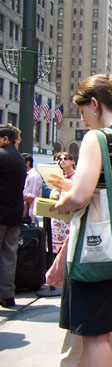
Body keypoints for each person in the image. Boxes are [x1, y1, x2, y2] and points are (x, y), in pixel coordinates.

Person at [52, 74, 112, 367]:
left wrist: (60, 204)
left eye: (83, 112)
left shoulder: (98, 137)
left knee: (96, 335)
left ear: (95, 104)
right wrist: (75, 188)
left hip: (95, 250)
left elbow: (81, 198)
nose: (83, 120)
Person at [0, 124, 26, 308]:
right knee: (9, 255)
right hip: (14, 214)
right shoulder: (19, 159)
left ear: (5, 139)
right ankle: (7, 295)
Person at [49, 152, 76, 253]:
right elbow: (53, 195)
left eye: (66, 158)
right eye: (60, 159)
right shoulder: (59, 177)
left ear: (72, 161)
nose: (63, 160)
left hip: (69, 216)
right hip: (58, 217)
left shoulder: (77, 177)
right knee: (57, 249)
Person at [22, 153, 43, 222]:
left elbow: (31, 196)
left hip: (29, 214)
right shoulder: (27, 175)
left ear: (28, 163)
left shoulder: (33, 176)